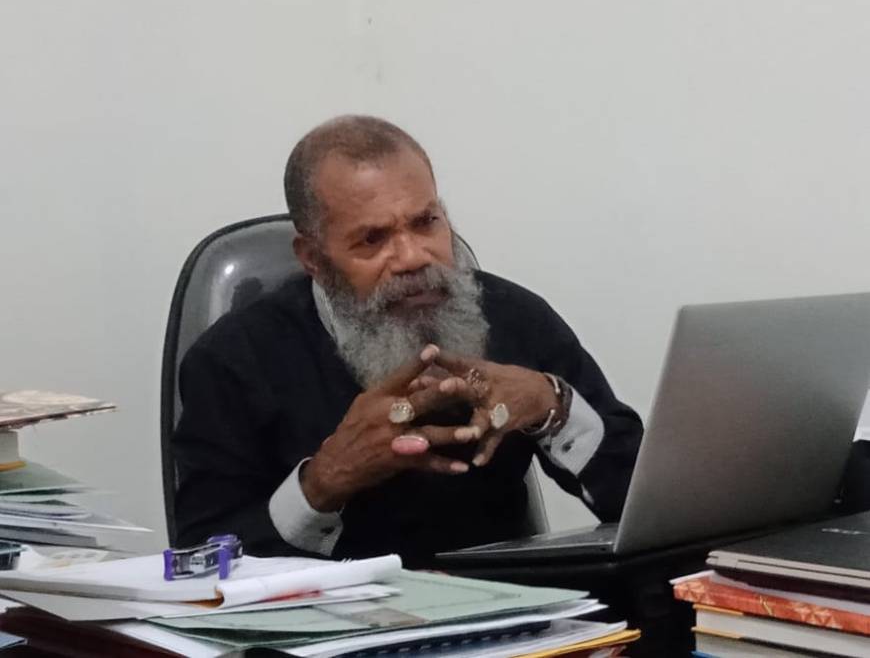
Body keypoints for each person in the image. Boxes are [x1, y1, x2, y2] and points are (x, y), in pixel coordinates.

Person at [173, 115, 643, 567]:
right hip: (337, 616)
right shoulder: (233, 360)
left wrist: (552, 407)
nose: (413, 257)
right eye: (372, 239)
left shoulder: (517, 317)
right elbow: (203, 563)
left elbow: (649, 504)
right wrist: (324, 481)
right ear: (313, 257)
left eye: (426, 222)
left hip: (512, 606)